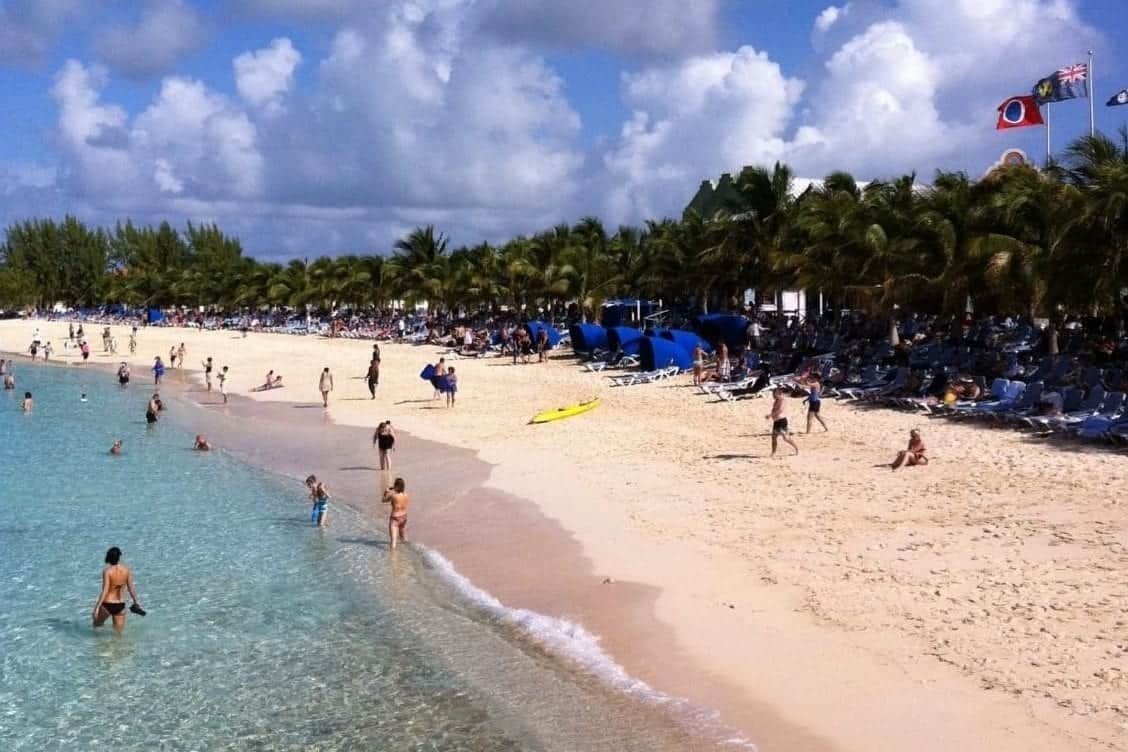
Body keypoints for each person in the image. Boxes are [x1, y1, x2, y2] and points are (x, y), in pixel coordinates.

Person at [92, 546, 143, 634]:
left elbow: (105, 590)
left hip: (107, 604)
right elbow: (131, 588)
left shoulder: (107, 571)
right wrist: (136, 602)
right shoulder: (126, 570)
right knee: (118, 634)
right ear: (119, 557)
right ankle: (119, 648)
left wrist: (97, 607)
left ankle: (100, 646)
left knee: (96, 626)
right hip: (120, 605)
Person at [766, 388, 799, 457]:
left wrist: (770, 415)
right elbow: (774, 410)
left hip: (782, 421)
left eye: (774, 394)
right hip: (776, 421)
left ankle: (796, 448)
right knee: (774, 437)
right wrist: (771, 416)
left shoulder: (783, 400)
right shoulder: (776, 401)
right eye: (773, 394)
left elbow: (780, 410)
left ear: (779, 394)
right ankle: (773, 452)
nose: (773, 396)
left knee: (786, 438)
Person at [382, 477, 410, 549]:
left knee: (393, 541)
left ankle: (393, 558)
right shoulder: (406, 495)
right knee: (403, 538)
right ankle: (408, 551)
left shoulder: (393, 496)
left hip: (395, 518)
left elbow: (383, 500)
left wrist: (386, 492)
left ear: (396, 486)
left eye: (394, 485)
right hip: (404, 517)